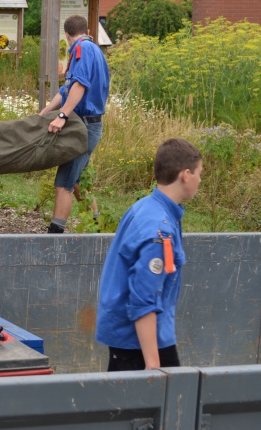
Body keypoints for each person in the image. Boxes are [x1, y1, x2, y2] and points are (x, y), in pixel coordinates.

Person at [95, 138, 203, 371]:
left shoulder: (145, 207)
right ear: (185, 175)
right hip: (141, 343)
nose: (200, 180)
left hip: (135, 338)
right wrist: (153, 367)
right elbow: (143, 300)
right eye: (199, 174)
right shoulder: (159, 230)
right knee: (165, 404)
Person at [40, 14, 110, 233]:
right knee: (78, 181)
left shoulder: (81, 50)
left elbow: (79, 85)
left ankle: (54, 235)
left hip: (84, 127)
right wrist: (48, 109)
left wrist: (62, 116)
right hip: (89, 125)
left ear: (67, 35)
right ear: (86, 30)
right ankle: (99, 227)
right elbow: (67, 90)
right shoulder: (92, 49)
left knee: (64, 183)